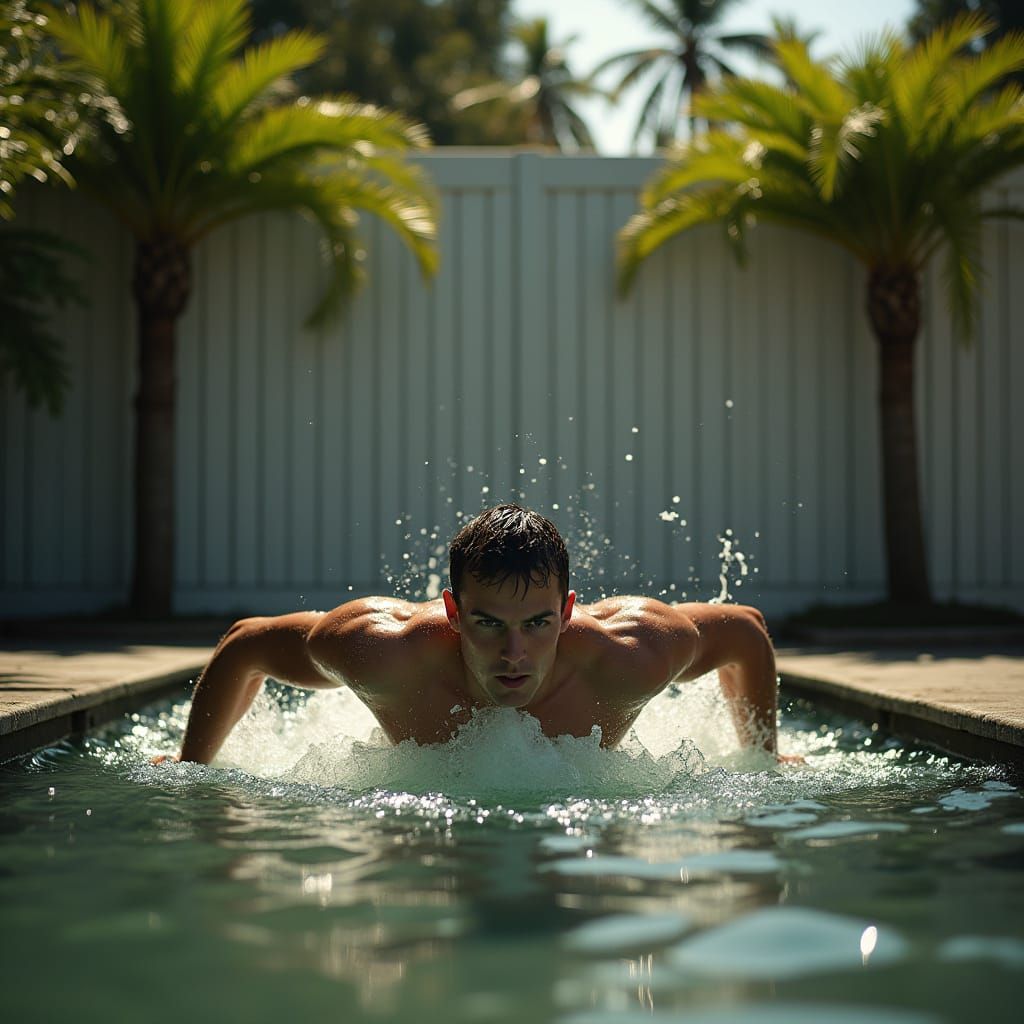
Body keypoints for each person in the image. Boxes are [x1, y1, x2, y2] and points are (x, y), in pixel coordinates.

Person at [156, 504, 801, 766]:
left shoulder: (627, 658)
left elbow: (744, 631)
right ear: (454, 612)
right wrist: (193, 769)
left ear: (569, 611)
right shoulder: (385, 655)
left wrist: (762, 759)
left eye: (538, 624)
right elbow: (246, 644)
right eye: (489, 624)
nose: (514, 654)